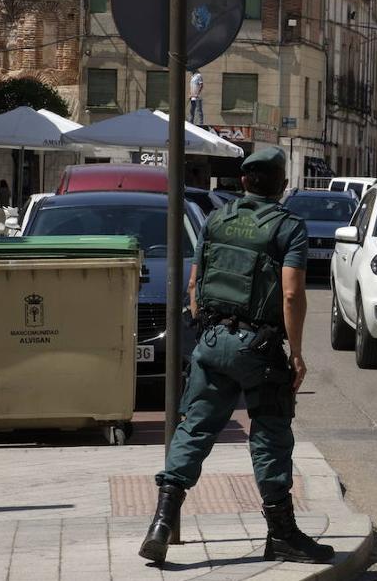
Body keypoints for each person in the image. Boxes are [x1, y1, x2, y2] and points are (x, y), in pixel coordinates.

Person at [138, 147, 333, 566]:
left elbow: (195, 283)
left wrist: (204, 327)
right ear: (282, 184)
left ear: (244, 181)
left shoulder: (216, 218)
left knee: (195, 431)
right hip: (258, 349)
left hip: (211, 341)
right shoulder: (287, 227)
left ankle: (160, 522)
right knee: (271, 437)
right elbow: (293, 293)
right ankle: (281, 533)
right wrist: (296, 354)